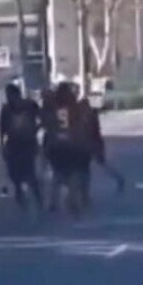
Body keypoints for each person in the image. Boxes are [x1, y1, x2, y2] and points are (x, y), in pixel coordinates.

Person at [43, 83, 87, 215]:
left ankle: (55, 201)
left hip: (57, 145)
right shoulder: (73, 107)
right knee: (71, 173)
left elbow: (48, 125)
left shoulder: (54, 107)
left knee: (59, 174)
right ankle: (70, 200)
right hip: (69, 144)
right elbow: (79, 126)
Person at [0, 83, 42, 210]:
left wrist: (35, 129)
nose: (8, 98)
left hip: (28, 143)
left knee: (30, 172)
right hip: (13, 144)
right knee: (14, 173)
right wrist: (3, 145)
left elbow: (42, 117)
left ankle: (37, 198)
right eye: (7, 95)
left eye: (10, 95)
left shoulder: (30, 105)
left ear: (16, 94)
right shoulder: (6, 109)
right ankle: (20, 195)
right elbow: (2, 128)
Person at [78, 98, 125, 206]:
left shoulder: (88, 116)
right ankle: (118, 178)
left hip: (91, 143)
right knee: (93, 166)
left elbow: (88, 130)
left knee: (89, 167)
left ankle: (84, 194)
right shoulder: (91, 114)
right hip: (93, 143)